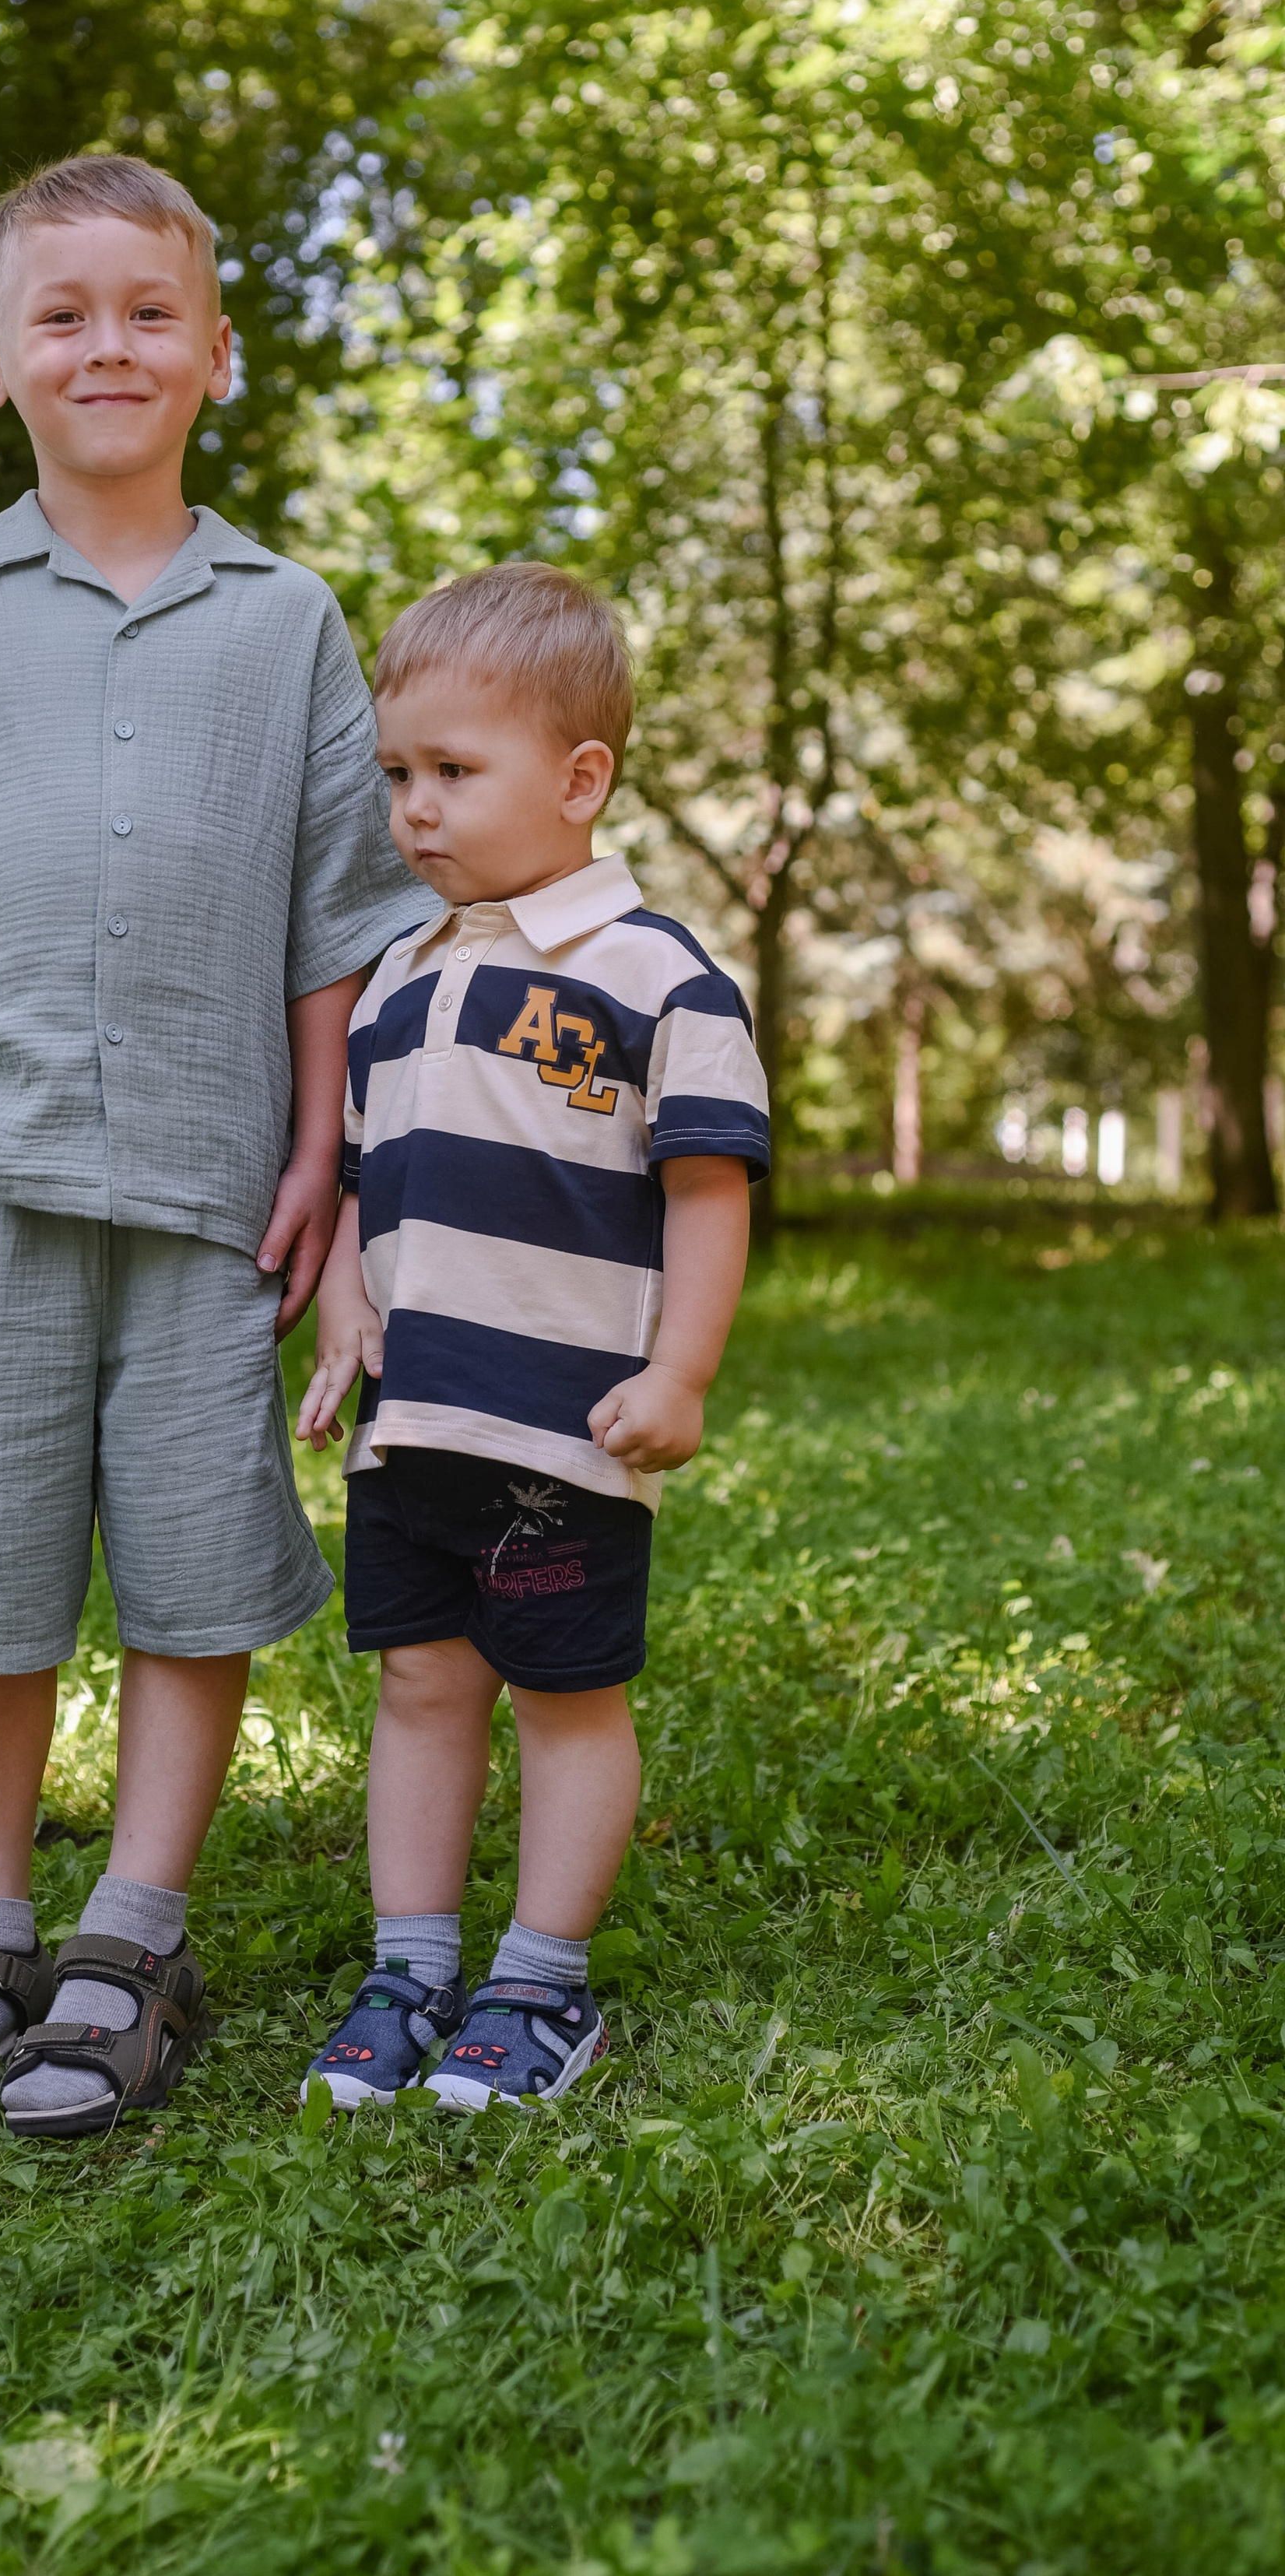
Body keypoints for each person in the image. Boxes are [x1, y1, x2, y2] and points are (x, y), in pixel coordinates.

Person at [0, 155, 426, 2139]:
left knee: (199, 1555)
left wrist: (331, 1150)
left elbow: (335, 920)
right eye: (62, 314)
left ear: (215, 352)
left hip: (222, 1183)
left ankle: (132, 1928)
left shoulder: (289, 619)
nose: (106, 342)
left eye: (148, 310)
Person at [295, 563, 769, 2111]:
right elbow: (372, 1179)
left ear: (578, 780)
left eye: (452, 772)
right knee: (421, 1686)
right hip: (417, 1418)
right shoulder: (397, 986)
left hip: (565, 1426)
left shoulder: (655, 976)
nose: (414, 809)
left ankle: (540, 1985)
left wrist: (679, 1371)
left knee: (566, 1695)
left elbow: (706, 1191)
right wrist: (347, 1302)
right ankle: (411, 1965)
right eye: (397, 776)